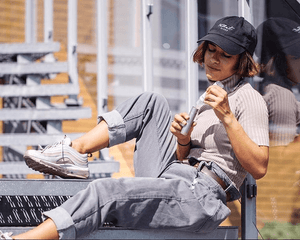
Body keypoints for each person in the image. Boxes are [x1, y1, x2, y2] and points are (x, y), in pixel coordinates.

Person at [0, 16, 269, 240]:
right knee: (153, 101)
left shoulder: (249, 99)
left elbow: (258, 167)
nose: (214, 59)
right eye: (212, 49)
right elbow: (182, 157)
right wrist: (183, 140)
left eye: (226, 55)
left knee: (105, 191)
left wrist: (228, 118)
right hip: (175, 175)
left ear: (241, 61)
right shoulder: (212, 96)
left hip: (200, 195)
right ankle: (76, 151)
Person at [256, 17, 300, 146]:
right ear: (275, 61)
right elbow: (282, 159)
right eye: (297, 56)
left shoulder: (268, 89)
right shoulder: (281, 96)